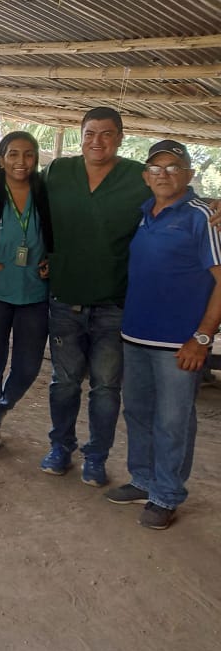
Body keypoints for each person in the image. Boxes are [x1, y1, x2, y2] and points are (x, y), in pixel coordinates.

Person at [106, 140, 221, 529]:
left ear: (189, 174)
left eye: (173, 167)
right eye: (156, 168)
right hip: (136, 336)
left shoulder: (202, 216)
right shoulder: (144, 214)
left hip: (179, 344)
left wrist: (202, 338)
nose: (164, 174)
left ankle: (166, 495)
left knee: (174, 421)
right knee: (138, 412)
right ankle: (143, 480)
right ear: (145, 176)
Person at [40, 107, 150, 486]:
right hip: (64, 298)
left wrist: (213, 204)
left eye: (106, 133)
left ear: (120, 137)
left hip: (113, 303)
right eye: (90, 133)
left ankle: (96, 456)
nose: (97, 141)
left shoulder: (139, 177)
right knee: (64, 382)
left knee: (105, 387)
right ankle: (60, 447)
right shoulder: (58, 171)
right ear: (80, 135)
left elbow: (176, 195)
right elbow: (21, 191)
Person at [0, 132, 53, 454]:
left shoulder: (45, 193)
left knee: (28, 365)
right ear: (1, 159)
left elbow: (58, 237)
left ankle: (1, 405)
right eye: (13, 154)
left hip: (35, 292)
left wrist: (50, 262)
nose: (21, 161)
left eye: (28, 154)